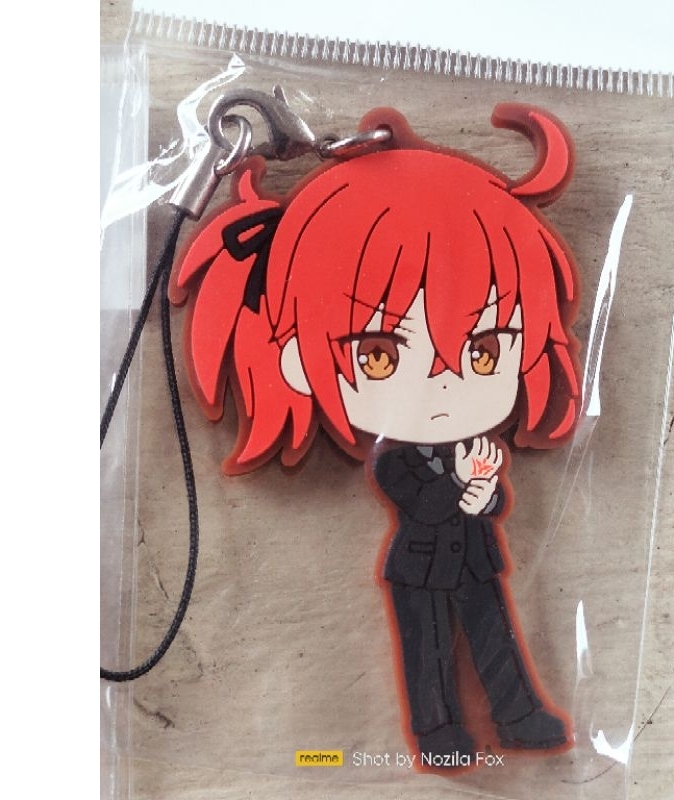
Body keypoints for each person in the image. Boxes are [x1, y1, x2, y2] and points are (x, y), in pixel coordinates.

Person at [170, 104, 581, 763]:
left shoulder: (470, 445)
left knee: (495, 635)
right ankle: (438, 734)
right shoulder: (394, 461)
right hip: (417, 571)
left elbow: (492, 503)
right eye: (382, 356)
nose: (445, 383)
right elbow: (420, 501)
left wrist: (485, 492)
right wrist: (467, 484)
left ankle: (520, 714)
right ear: (298, 359)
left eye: (484, 351)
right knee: (427, 652)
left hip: (477, 561)